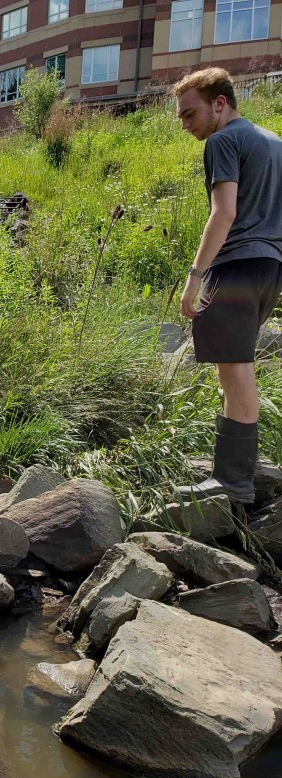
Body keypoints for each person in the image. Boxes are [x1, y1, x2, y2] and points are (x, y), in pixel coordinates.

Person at [173, 67, 282, 504]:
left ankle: (233, 481)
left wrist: (194, 278)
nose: (185, 124)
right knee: (240, 369)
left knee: (233, 374)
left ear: (220, 103)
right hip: (271, 268)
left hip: (236, 264)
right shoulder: (273, 142)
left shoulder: (223, 140)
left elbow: (224, 212)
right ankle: (240, 472)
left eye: (190, 113)